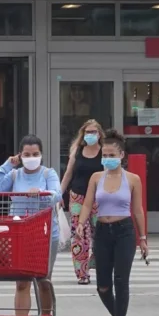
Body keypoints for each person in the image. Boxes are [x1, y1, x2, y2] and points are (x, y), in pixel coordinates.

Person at [0, 135, 62, 316]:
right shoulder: (14, 175)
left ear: (41, 155)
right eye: (27, 154)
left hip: (46, 233)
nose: (31, 158)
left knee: (43, 279)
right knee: (22, 282)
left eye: (35, 154)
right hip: (21, 232)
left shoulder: (48, 173)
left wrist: (41, 192)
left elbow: (57, 194)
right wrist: (6, 165)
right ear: (20, 155)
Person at [77, 129, 148, 316]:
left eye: (111, 155)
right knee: (103, 285)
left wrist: (142, 238)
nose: (107, 159)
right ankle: (116, 314)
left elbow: (137, 210)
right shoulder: (96, 178)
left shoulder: (133, 179)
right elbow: (88, 203)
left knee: (121, 280)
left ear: (121, 156)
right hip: (102, 231)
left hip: (124, 231)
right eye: (104, 156)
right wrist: (81, 223)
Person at [59, 120, 104, 284]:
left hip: (99, 198)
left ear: (99, 134)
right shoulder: (77, 151)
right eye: (87, 132)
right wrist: (59, 195)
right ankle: (82, 274)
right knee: (79, 236)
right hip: (78, 197)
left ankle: (98, 264)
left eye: (93, 132)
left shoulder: (104, 153)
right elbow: (68, 174)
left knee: (100, 234)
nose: (90, 135)